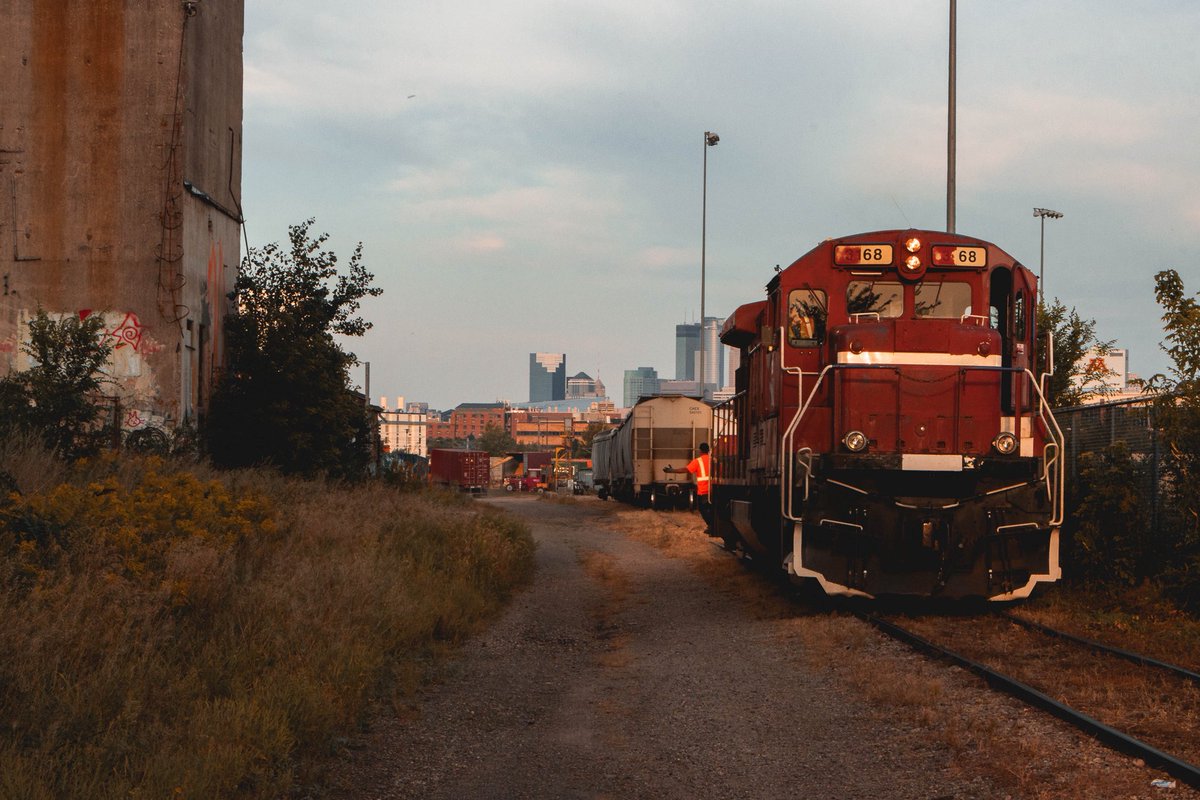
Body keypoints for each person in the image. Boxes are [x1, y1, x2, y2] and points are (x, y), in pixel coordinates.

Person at [664, 442, 714, 532]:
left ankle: (711, 526)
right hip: (714, 489)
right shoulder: (714, 460)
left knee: (702, 509)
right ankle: (713, 526)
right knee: (712, 510)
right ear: (708, 450)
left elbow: (686, 470)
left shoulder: (698, 461)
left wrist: (672, 470)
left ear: (700, 450)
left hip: (703, 490)